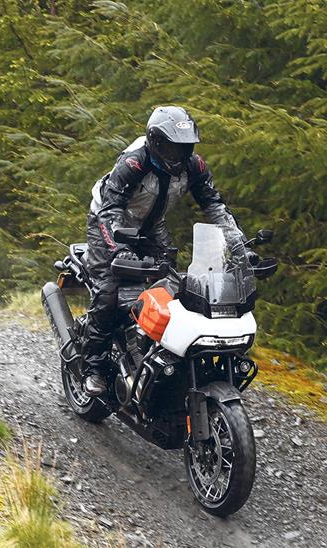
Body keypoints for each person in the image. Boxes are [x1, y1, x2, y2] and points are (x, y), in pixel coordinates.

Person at [82, 105, 247, 396]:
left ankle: (153, 355)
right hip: (107, 223)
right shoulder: (134, 163)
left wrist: (238, 244)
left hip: (151, 224)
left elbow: (214, 204)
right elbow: (110, 209)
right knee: (109, 291)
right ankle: (92, 366)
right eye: (172, 147)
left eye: (184, 148)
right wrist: (120, 251)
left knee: (173, 283)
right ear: (156, 142)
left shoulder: (194, 166)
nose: (179, 155)